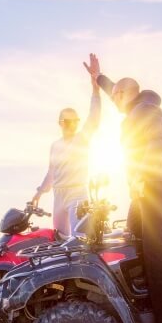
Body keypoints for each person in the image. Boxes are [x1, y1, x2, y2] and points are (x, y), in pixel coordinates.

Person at [83, 54, 162, 323]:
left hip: (153, 185)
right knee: (130, 238)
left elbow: (154, 143)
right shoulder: (135, 106)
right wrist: (99, 78)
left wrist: (141, 177)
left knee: (155, 248)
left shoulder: (147, 110)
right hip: (142, 189)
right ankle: (146, 305)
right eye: (113, 93)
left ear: (132, 92)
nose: (115, 97)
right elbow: (118, 88)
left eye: (119, 93)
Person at [32, 55, 101, 236]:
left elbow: (94, 118)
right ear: (60, 123)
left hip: (77, 193)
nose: (71, 124)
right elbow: (52, 172)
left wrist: (95, 89)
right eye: (67, 121)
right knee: (58, 239)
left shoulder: (82, 139)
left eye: (75, 121)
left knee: (80, 238)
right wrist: (39, 193)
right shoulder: (55, 146)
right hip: (58, 196)